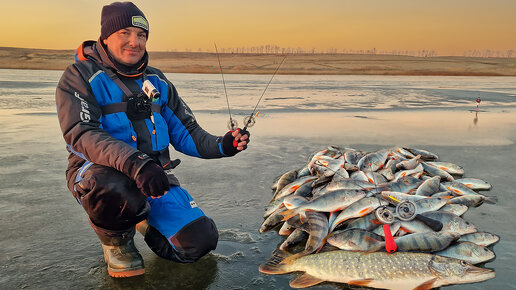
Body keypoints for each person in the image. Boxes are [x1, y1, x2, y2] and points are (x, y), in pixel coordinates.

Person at [55, 2, 249, 278]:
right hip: (101, 176)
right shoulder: (80, 76)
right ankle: (116, 242)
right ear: (106, 37)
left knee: (199, 242)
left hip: (155, 177)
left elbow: (187, 133)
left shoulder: (158, 81)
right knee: (115, 186)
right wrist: (136, 164)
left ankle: (144, 217)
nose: (135, 42)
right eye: (125, 32)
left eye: (141, 35)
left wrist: (224, 145)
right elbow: (81, 133)